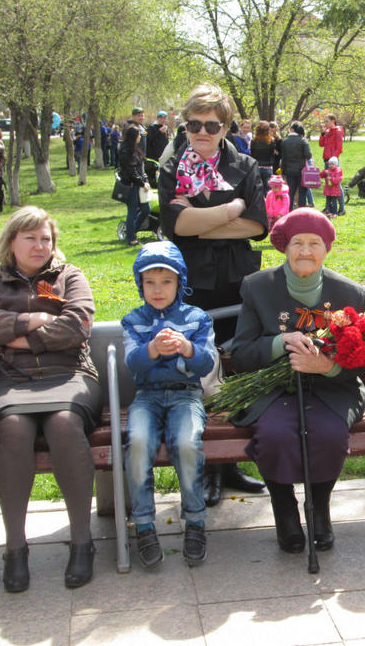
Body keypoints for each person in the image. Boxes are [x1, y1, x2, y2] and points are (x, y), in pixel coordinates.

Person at [0, 206, 101, 592]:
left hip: (69, 374)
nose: (39, 245)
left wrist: (14, 332)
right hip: (9, 378)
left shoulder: (68, 277)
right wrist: (38, 320)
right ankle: (15, 547)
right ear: (11, 241)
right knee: (13, 428)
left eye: (45, 238)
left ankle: (83, 542)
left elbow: (78, 324)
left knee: (64, 423)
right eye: (30, 237)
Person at [230, 208, 365, 553]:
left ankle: (319, 509)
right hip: (272, 387)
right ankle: (285, 510)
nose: (306, 251)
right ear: (283, 247)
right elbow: (243, 353)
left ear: (327, 248)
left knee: (331, 435)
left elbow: (364, 363)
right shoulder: (257, 287)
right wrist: (281, 342)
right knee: (275, 436)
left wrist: (326, 367)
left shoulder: (350, 293)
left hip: (330, 387)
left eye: (314, 243)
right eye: (297, 243)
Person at [158, 83, 268, 505]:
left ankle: (231, 462)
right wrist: (228, 211)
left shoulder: (245, 164)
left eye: (211, 125)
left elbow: (257, 224)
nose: (202, 132)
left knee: (234, 367)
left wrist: (200, 219)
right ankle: (202, 468)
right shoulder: (172, 168)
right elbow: (176, 227)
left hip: (236, 279)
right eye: (194, 124)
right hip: (192, 280)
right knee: (196, 369)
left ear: (225, 127)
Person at [122, 241, 216, 567]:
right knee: (137, 443)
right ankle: (144, 524)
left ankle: (195, 520)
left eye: (166, 282)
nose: (158, 290)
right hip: (146, 398)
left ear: (180, 283)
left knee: (187, 443)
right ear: (140, 284)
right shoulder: (133, 320)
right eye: (150, 282)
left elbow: (206, 365)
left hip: (186, 395)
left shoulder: (197, 318)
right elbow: (133, 362)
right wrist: (152, 350)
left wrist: (188, 348)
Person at [117, 124, 151, 246]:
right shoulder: (126, 151)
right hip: (132, 185)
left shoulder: (136, 149)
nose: (140, 137)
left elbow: (141, 168)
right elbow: (131, 171)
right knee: (132, 211)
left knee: (146, 209)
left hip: (140, 184)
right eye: (138, 135)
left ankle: (132, 230)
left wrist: (145, 180)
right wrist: (142, 183)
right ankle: (131, 238)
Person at [280, 121, 314, 209]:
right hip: (302, 170)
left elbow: (283, 158)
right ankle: (301, 210)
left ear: (292, 129)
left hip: (289, 170)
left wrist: (282, 171)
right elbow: (308, 155)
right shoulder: (303, 141)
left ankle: (289, 210)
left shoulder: (284, 141)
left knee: (290, 192)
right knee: (302, 191)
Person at [250, 120, 279, 194]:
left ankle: (259, 204)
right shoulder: (271, 141)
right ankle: (268, 204)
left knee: (258, 189)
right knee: (268, 190)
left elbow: (252, 154)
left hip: (257, 167)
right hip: (268, 167)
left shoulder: (253, 141)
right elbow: (272, 154)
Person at [145, 111, 170, 188]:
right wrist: (159, 132)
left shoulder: (165, 128)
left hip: (163, 153)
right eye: (161, 118)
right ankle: (153, 184)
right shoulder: (152, 127)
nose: (163, 120)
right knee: (153, 171)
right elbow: (149, 139)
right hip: (153, 154)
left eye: (164, 118)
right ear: (158, 118)